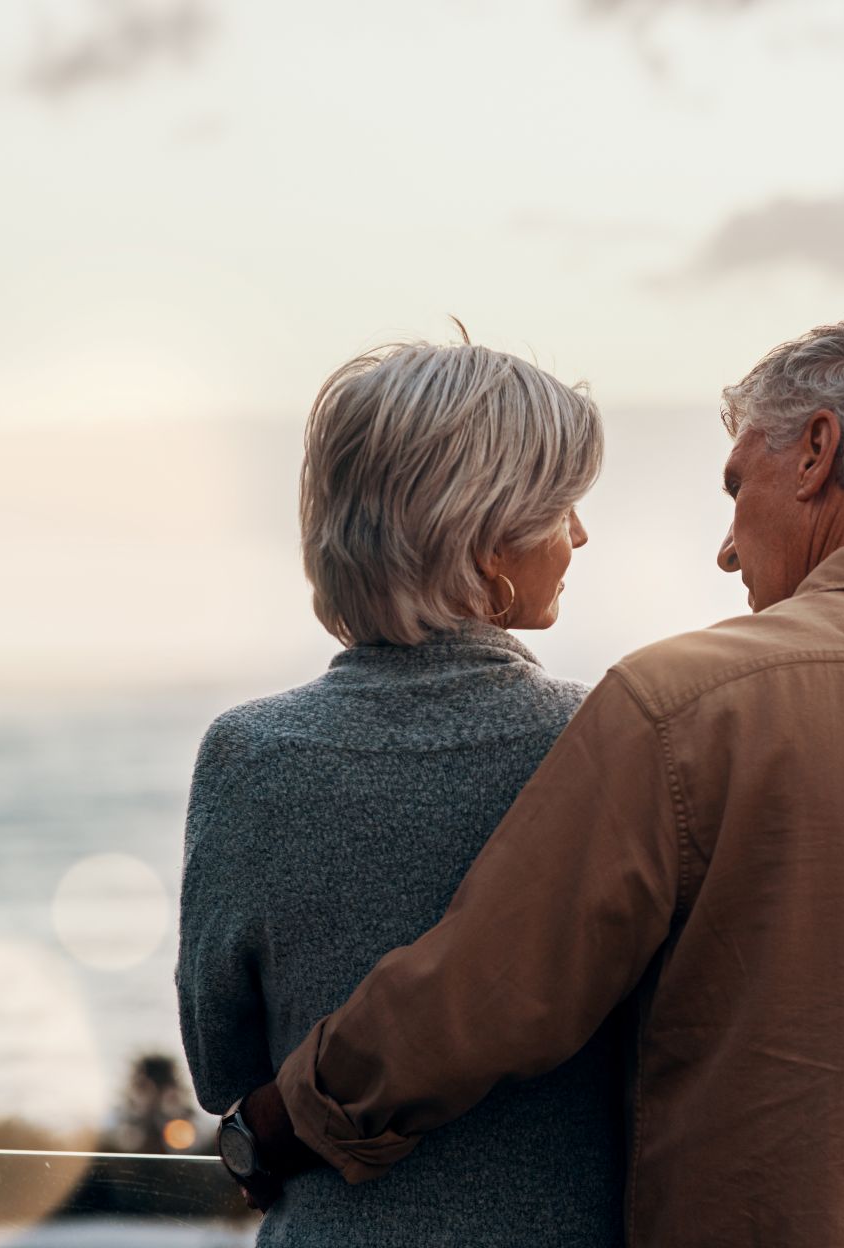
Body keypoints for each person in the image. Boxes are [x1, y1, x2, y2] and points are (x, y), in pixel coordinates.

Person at [237, 314, 844, 1247]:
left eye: (739, 487)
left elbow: (485, 993)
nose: (729, 547)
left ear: (817, 452)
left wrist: (281, 1120)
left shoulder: (690, 703)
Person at [175, 336, 624, 1245]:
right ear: (487, 535)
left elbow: (222, 1067)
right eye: (563, 507)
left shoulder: (250, 756)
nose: (579, 535)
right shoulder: (610, 740)